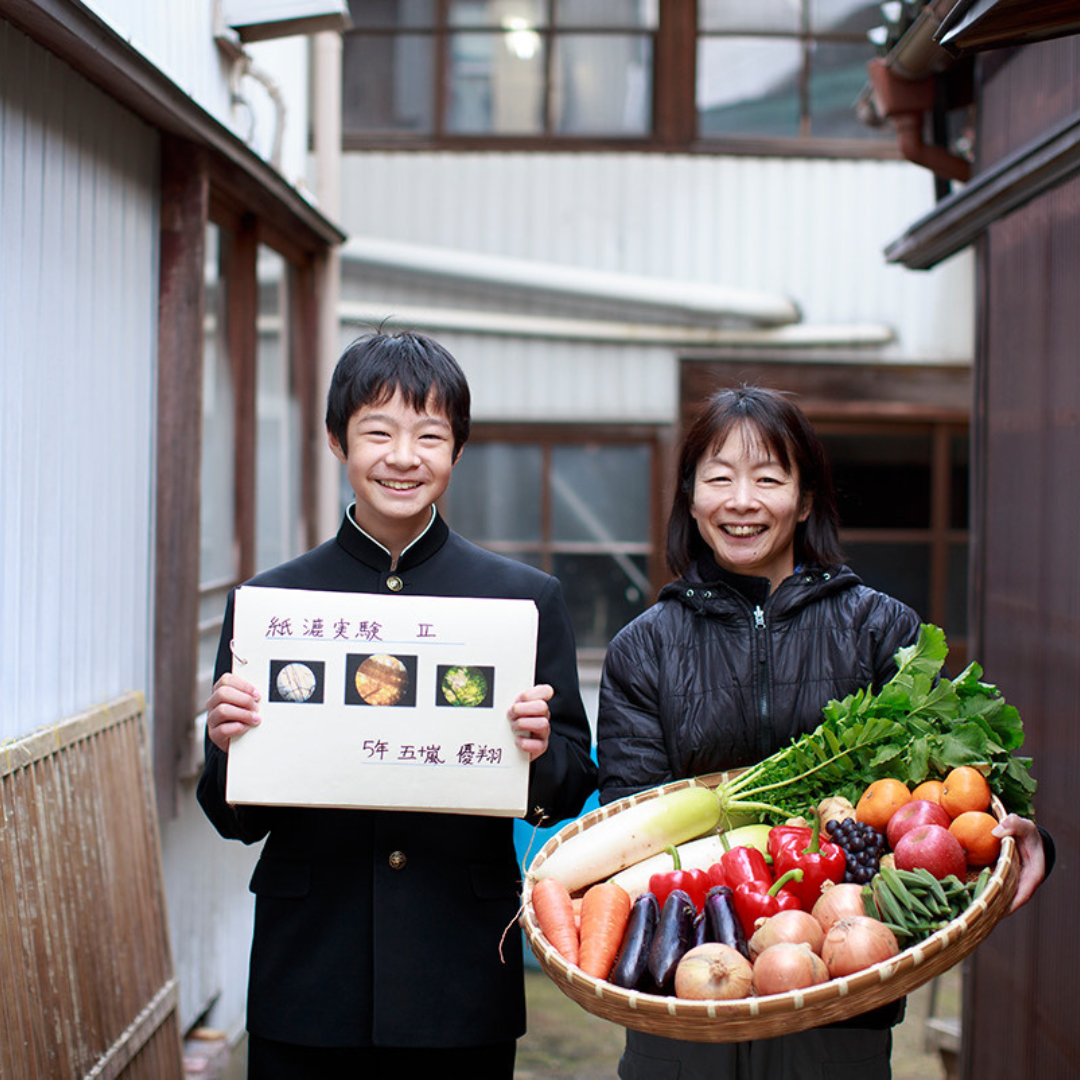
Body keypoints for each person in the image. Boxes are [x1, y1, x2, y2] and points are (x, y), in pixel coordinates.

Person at [596, 386, 1049, 1079]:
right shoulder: (643, 648)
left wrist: (1021, 838)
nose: (741, 501)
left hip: (842, 974)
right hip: (688, 977)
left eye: (769, 479)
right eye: (719, 478)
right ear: (690, 497)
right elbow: (632, 815)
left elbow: (941, 800)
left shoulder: (880, 629)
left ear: (805, 499)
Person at [197, 331, 597, 1079]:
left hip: (458, 967)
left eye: (429, 435)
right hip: (310, 969)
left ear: (459, 449)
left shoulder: (521, 602)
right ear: (336, 441)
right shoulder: (273, 605)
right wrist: (226, 744)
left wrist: (539, 752)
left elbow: (570, 785)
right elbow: (232, 818)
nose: (403, 456)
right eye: (377, 431)